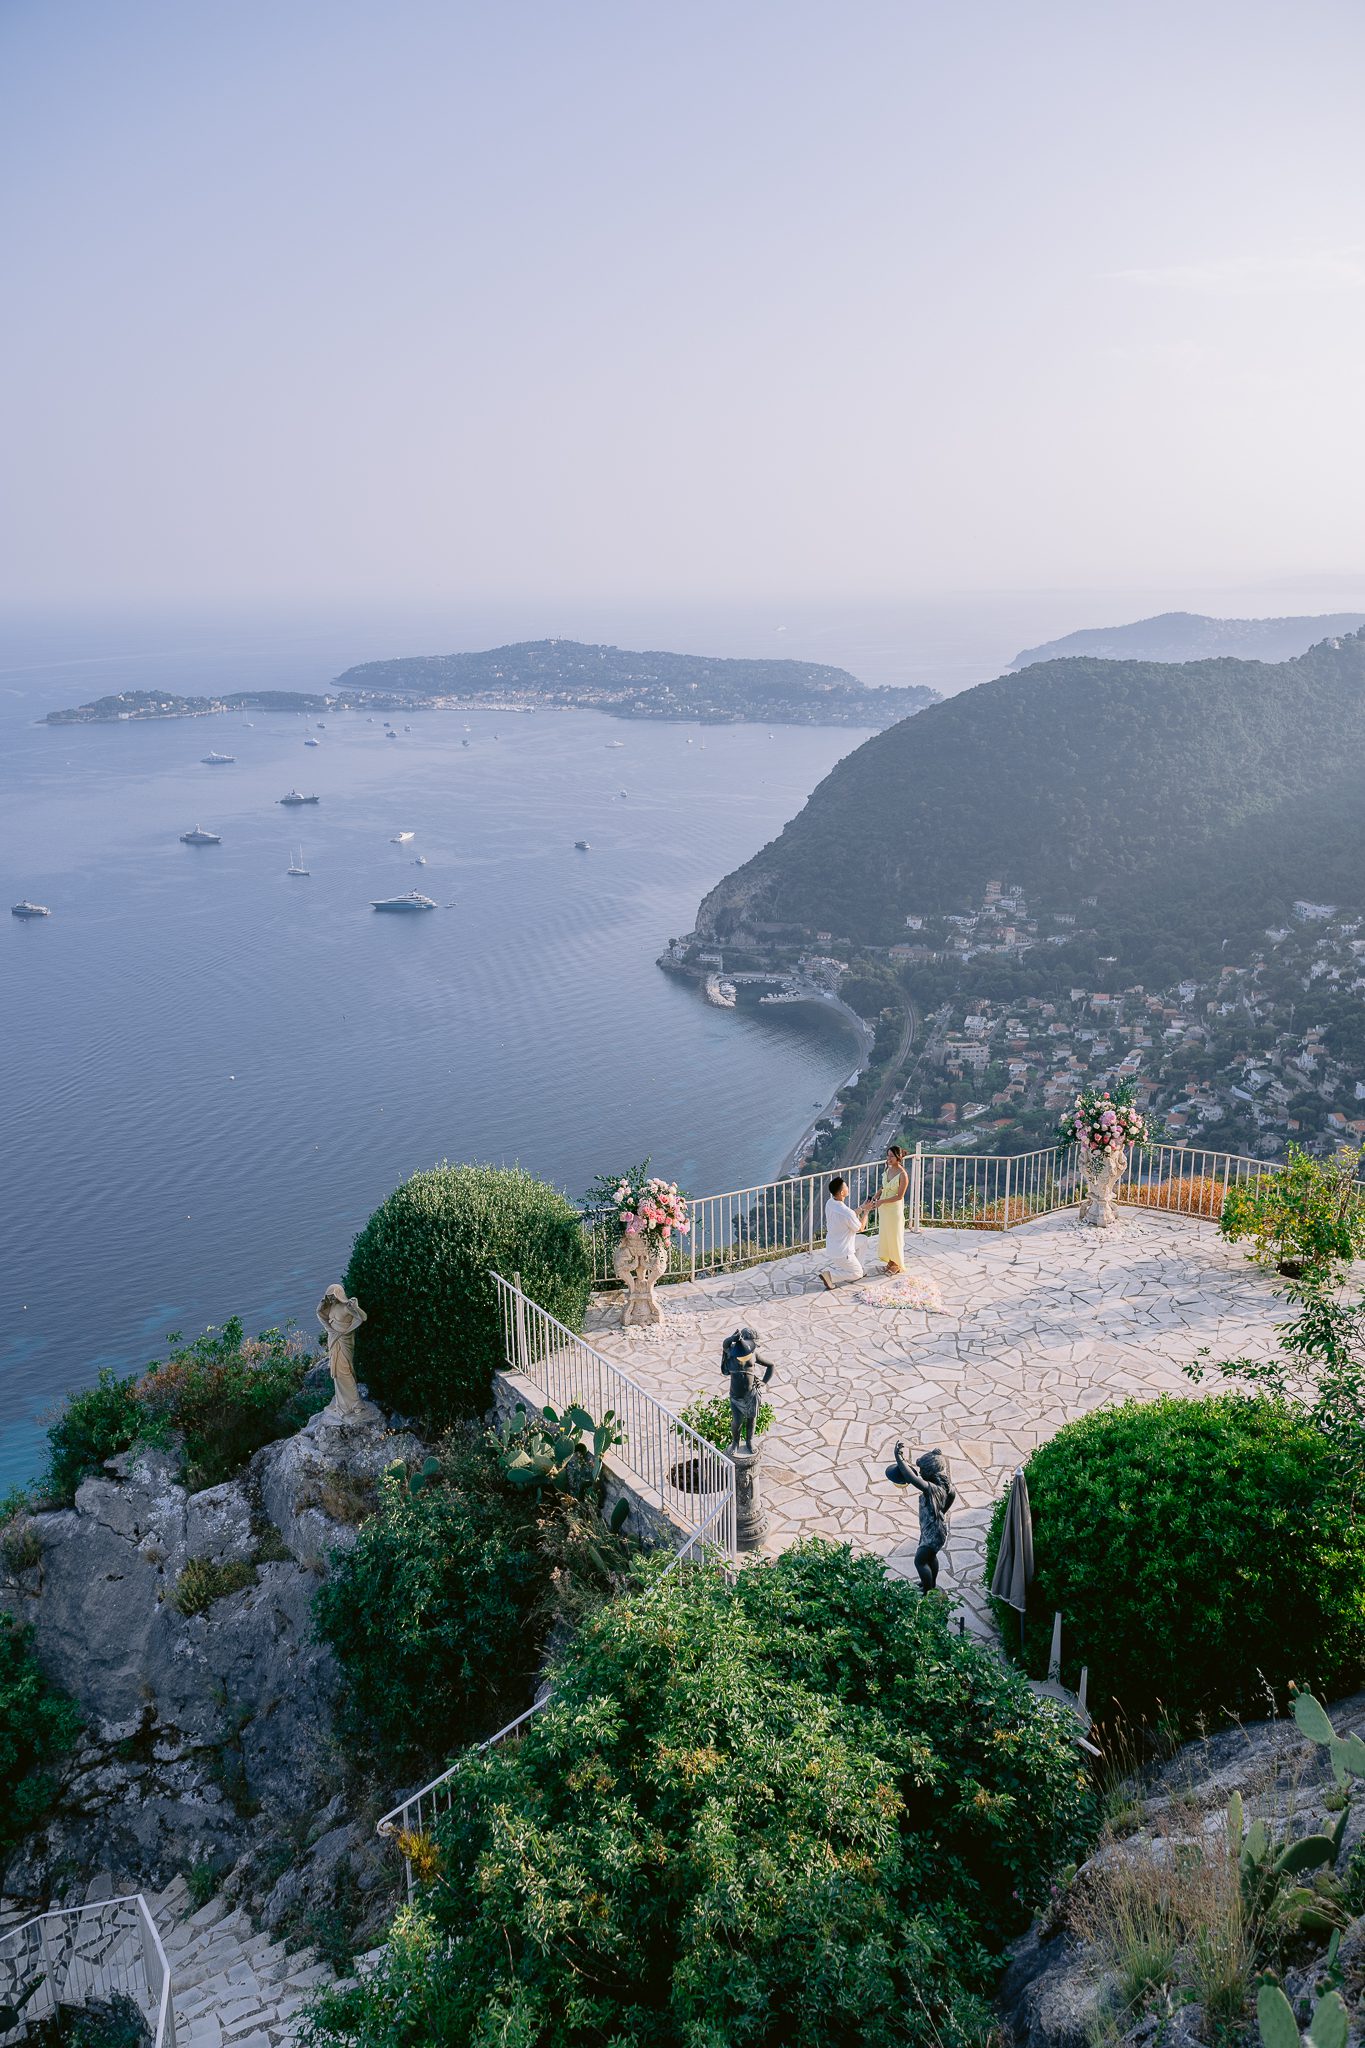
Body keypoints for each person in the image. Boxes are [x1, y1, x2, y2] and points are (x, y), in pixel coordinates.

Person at [818, 1176, 866, 1289]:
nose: (848, 1187)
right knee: (858, 1274)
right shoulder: (847, 1212)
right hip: (843, 1253)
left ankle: (858, 1266)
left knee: (863, 1240)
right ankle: (830, 1276)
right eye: (846, 1186)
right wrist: (867, 1212)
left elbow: (848, 1216)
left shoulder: (830, 1203)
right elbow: (860, 1228)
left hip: (833, 1247)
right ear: (842, 1192)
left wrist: (862, 1208)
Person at [868, 1143, 909, 1274]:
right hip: (884, 1208)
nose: (889, 1158)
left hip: (893, 1209)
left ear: (898, 1157)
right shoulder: (888, 1170)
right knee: (886, 1235)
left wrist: (882, 1201)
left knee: (895, 1236)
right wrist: (876, 1196)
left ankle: (897, 1264)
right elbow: (883, 1187)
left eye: (891, 1156)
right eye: (888, 1156)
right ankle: (890, 1262)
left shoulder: (903, 1175)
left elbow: (900, 1196)